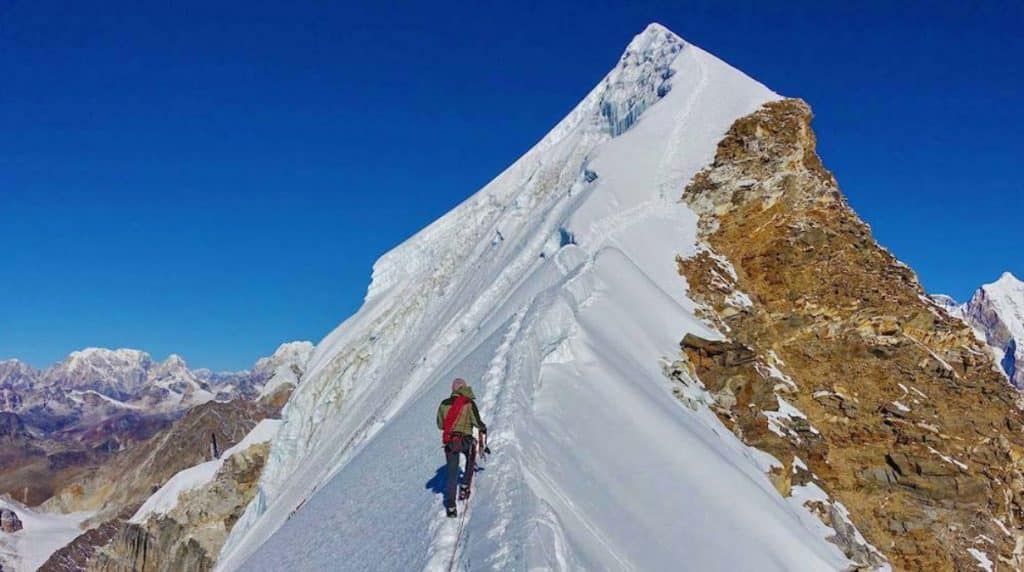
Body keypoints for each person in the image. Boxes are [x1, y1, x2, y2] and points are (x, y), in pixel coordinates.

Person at [436, 378, 487, 517]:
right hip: (466, 440)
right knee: (471, 460)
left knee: (452, 473)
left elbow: (441, 425)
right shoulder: (468, 403)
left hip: (451, 443)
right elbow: (477, 422)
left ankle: (451, 507)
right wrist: (483, 428)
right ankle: (464, 486)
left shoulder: (444, 404)